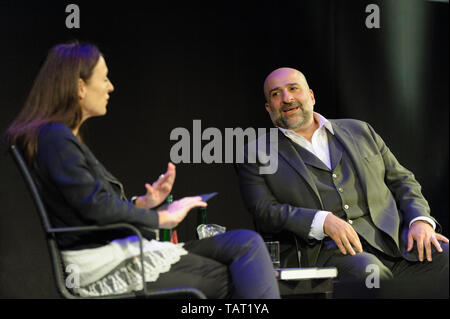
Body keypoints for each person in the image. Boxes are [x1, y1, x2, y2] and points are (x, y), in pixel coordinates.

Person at [3, 42, 280, 299]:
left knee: (245, 242)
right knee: (237, 278)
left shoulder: (60, 137)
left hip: (118, 250)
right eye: (104, 78)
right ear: (79, 87)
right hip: (102, 263)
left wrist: (143, 203)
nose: (110, 87)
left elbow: (88, 203)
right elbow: (95, 209)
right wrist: (161, 218)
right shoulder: (55, 137)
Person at [236, 67, 449, 286]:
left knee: (446, 256)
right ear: (268, 108)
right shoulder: (256, 153)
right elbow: (264, 211)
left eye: (293, 89)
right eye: (276, 94)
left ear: (311, 96)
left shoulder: (360, 130)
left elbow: (402, 180)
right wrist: (321, 220)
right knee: (371, 274)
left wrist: (420, 221)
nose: (287, 98)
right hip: (327, 254)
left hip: (396, 243)